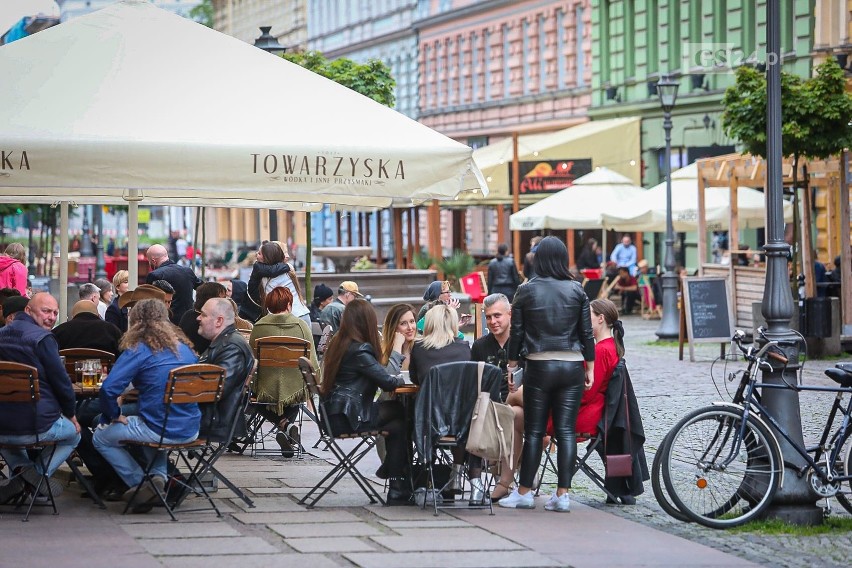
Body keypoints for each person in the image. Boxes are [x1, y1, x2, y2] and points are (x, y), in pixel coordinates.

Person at [499, 236, 594, 513]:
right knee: (566, 432)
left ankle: (525, 492)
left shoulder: (526, 291)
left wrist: (512, 366)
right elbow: (586, 334)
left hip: (539, 365)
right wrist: (589, 366)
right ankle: (562, 495)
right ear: (563, 259)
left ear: (538, 259)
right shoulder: (577, 290)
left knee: (534, 431)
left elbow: (516, 334)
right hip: (571, 365)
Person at [92, 299, 199, 513]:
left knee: (100, 437)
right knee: (147, 426)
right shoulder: (186, 350)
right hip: (190, 428)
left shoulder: (139, 348)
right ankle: (158, 478)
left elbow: (109, 389)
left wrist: (113, 414)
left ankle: (141, 483)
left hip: (159, 427)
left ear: (135, 321)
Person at [319, 298, 408, 504]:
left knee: (398, 422)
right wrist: (396, 351)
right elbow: (388, 381)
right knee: (402, 416)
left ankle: (395, 478)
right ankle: (397, 480)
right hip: (347, 418)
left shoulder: (339, 343)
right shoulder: (359, 350)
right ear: (367, 322)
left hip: (334, 415)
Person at [0, 293, 81, 501]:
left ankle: (21, 473)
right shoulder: (42, 339)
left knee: (10, 438)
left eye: (55, 313)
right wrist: (71, 414)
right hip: (37, 425)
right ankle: (34, 476)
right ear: (28, 310)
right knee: (75, 434)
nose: (52, 317)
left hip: (2, 428)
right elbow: (62, 383)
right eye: (46, 311)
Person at [409, 304, 483, 504]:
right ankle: (476, 486)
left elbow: (416, 380)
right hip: (464, 423)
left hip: (431, 423)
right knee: (471, 417)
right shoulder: (464, 348)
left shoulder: (418, 349)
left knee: (414, 411)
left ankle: (425, 480)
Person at [249, 287, 319, 457]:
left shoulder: (259, 327)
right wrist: (316, 379)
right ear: (289, 304)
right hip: (296, 385)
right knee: (295, 395)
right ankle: (287, 426)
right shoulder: (301, 325)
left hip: (265, 386)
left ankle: (284, 426)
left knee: (253, 399)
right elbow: (313, 360)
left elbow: (251, 361)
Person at [586, 297, 633, 504]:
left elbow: (588, 392)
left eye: (588, 316)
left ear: (600, 319)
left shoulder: (601, 351)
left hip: (593, 413)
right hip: (603, 412)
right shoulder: (611, 347)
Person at [196, 297, 255, 444]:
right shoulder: (226, 343)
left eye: (203, 314)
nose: (198, 318)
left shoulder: (231, 347)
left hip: (211, 421)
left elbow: (216, 389)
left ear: (219, 321)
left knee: (138, 418)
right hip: (206, 417)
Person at [248, 241, 311, 327]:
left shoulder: (281, 273)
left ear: (267, 257)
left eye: (259, 253)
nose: (256, 255)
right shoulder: (284, 270)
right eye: (285, 253)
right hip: (293, 317)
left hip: (293, 320)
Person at [470, 293, 513, 399]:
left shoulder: (523, 342)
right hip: (489, 404)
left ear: (510, 314)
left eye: (497, 316)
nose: (492, 321)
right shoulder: (479, 346)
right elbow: (473, 383)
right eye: (488, 317)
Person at [146, 243, 202, 324]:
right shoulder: (187, 271)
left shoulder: (154, 275)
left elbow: (150, 303)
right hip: (189, 321)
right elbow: (203, 288)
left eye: (149, 261)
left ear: (153, 261)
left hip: (167, 323)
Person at [53, 300, 122, 356]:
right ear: (98, 315)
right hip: (107, 372)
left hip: (67, 372)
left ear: (73, 316)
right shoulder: (112, 331)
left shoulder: (58, 332)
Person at [179, 282, 227, 354]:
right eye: (222, 299)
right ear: (209, 300)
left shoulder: (188, 314)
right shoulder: (209, 321)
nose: (226, 302)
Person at [380, 303, 417, 374]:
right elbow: (390, 376)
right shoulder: (383, 353)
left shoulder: (423, 348)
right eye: (403, 323)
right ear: (393, 327)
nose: (410, 327)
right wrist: (397, 346)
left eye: (412, 321)